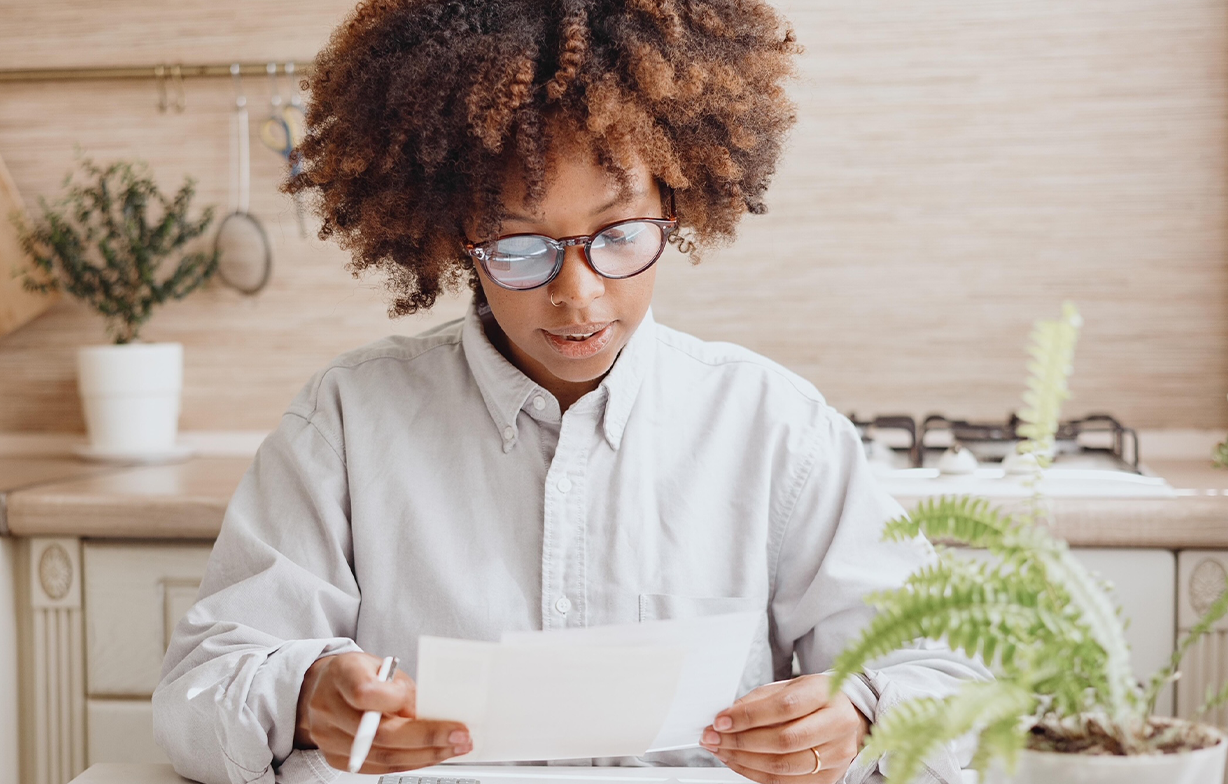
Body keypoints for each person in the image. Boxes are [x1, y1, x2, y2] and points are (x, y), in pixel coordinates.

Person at [154, 2, 987, 783]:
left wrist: (863, 713)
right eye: (520, 247)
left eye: (619, 235)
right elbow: (199, 690)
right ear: (455, 233)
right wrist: (304, 696)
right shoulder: (347, 423)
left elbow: (950, 681)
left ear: (677, 203)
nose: (578, 296)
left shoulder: (777, 431)